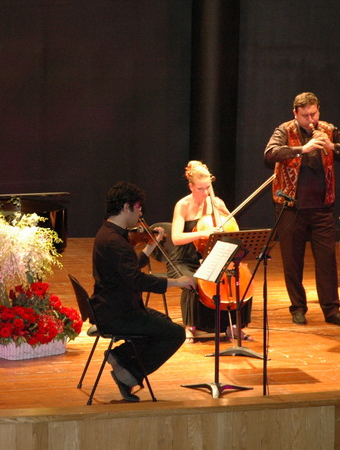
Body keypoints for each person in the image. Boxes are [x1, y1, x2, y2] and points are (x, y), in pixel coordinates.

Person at [90, 181, 196, 402]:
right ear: (126, 207)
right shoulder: (115, 242)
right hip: (118, 314)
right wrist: (177, 282)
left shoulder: (108, 233)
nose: (141, 213)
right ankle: (129, 374)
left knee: (164, 323)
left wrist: (151, 245)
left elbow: (127, 269)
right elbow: (136, 280)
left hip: (111, 306)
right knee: (175, 333)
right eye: (138, 207)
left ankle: (120, 356)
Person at [264, 92, 340, 327]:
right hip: (291, 208)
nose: (311, 119)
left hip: (322, 208)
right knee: (293, 262)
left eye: (314, 114)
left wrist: (332, 145)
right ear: (295, 113)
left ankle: (331, 310)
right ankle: (298, 308)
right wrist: (302, 149)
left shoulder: (328, 129)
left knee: (327, 261)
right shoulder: (284, 130)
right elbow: (270, 154)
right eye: (305, 115)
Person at [170, 161, 252, 342]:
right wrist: (203, 233)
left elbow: (234, 231)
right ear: (191, 186)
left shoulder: (216, 202)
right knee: (192, 281)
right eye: (200, 188)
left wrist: (225, 212)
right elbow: (176, 238)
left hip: (210, 258)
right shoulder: (182, 205)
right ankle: (190, 326)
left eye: (208, 187)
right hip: (184, 259)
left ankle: (232, 326)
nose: (205, 192)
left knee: (239, 280)